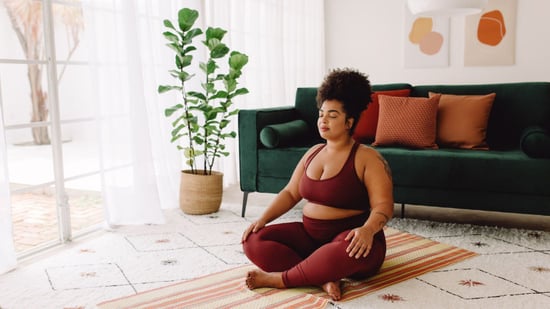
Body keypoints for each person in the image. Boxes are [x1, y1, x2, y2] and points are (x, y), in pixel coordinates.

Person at [241, 68, 394, 301]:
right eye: (321, 114)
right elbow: (291, 192)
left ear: (349, 122)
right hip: (311, 238)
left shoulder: (368, 158)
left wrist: (367, 230)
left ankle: (280, 279)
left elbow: (383, 206)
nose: (323, 120)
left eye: (332, 115)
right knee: (253, 240)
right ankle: (322, 277)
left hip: (352, 240)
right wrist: (263, 219)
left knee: (340, 252)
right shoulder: (313, 153)